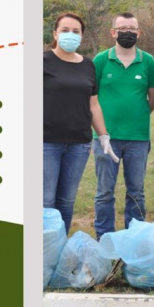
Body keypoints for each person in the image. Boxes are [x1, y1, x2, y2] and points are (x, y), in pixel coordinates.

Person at [43, 12, 117, 234]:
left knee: (66, 201)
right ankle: (39, 253)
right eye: (65, 30)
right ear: (55, 33)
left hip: (79, 144)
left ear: (82, 36)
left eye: (76, 31)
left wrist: (103, 135)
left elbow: (93, 105)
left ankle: (58, 247)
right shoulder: (41, 61)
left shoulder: (88, 65)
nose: (70, 35)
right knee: (45, 202)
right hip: (46, 142)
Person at [91, 12, 154, 239]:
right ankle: (104, 236)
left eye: (132, 28)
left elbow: (153, 99)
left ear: (139, 33)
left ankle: (134, 237)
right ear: (113, 32)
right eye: (123, 28)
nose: (127, 32)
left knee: (136, 192)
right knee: (104, 191)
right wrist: (103, 131)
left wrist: (136, 115)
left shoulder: (147, 61)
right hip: (105, 138)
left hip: (138, 138)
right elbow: (92, 99)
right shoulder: (100, 60)